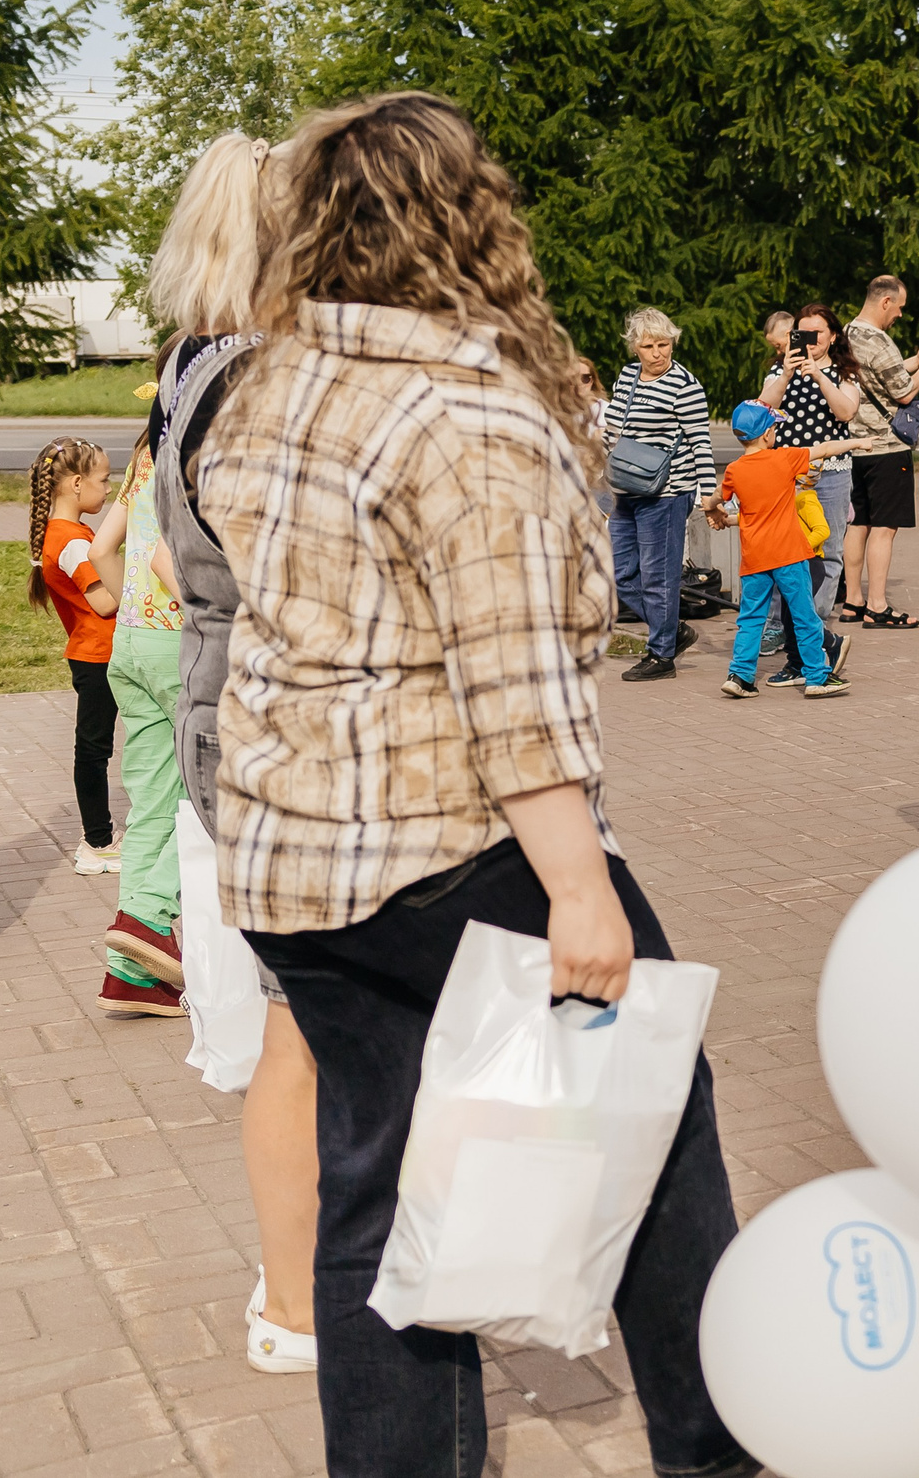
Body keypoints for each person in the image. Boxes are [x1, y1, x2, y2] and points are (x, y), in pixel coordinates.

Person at [197, 92, 754, 1478]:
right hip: (449, 850)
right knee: (652, 1110)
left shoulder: (263, 378)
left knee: (378, 1186)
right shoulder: (467, 413)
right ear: (468, 217)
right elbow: (512, 686)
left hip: (286, 861)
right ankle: (720, 1443)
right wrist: (580, 888)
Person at [145, 129, 324, 1376]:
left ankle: (300, 1286)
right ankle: (302, 1296)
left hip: (224, 704)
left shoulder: (185, 366)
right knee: (311, 1026)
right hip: (285, 720)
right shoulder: (263, 379)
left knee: (298, 1019)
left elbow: (170, 554)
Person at [93, 362, 191, 1019]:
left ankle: (133, 973)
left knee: (154, 801)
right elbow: (165, 559)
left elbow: (105, 546)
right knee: (204, 797)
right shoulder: (193, 457)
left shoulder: (142, 460)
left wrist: (120, 604)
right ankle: (153, 921)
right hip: (178, 642)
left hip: (129, 642)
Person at [709, 399, 859, 699]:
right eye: (775, 426)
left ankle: (740, 676)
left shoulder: (735, 470)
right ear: (766, 434)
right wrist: (861, 442)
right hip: (790, 556)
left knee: (751, 618)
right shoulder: (783, 459)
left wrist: (712, 512)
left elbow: (716, 498)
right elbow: (825, 449)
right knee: (805, 615)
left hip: (754, 560)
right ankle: (817, 676)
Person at [26, 437, 123, 875]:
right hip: (98, 654)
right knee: (94, 750)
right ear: (77, 483)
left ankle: (100, 838)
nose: (110, 488)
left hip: (96, 653)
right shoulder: (71, 542)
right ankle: (97, 843)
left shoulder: (70, 534)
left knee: (95, 748)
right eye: (104, 480)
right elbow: (104, 603)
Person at [604, 307, 715, 682]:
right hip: (624, 487)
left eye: (663, 344)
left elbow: (701, 442)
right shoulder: (627, 377)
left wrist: (707, 494)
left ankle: (661, 654)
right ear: (634, 347)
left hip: (667, 492)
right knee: (620, 575)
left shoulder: (685, 385)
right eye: (648, 345)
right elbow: (612, 430)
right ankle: (673, 629)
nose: (657, 353)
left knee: (657, 577)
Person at [758, 303, 860, 682]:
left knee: (827, 554)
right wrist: (786, 371)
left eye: (817, 333)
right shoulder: (779, 370)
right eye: (802, 333)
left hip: (829, 474)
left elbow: (845, 412)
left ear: (832, 336)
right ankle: (806, 644)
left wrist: (819, 374)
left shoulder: (844, 371)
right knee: (784, 555)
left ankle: (809, 643)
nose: (810, 342)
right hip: (785, 475)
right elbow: (762, 408)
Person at [837, 273, 919, 629]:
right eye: (898, 308)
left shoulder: (847, 334)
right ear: (885, 302)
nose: (899, 315)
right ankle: (878, 605)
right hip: (886, 448)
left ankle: (853, 600)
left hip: (855, 447)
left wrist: (914, 362)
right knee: (884, 528)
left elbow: (879, 378)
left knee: (858, 525)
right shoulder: (881, 342)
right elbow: (903, 394)